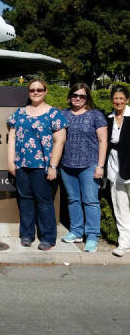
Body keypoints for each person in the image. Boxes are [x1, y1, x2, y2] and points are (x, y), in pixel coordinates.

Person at [7, 79, 67, 250]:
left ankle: (48, 237)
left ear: (46, 91)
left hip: (43, 166)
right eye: (32, 89)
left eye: (39, 89)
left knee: (44, 202)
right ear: (28, 92)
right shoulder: (19, 113)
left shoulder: (54, 114)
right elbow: (12, 138)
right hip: (22, 164)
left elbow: (59, 141)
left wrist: (53, 166)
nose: (36, 92)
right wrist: (10, 161)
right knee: (25, 200)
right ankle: (26, 235)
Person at [59, 83, 107, 252]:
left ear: (88, 98)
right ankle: (76, 231)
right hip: (66, 165)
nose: (78, 98)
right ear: (70, 96)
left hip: (89, 165)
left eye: (82, 96)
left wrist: (100, 166)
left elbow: (103, 141)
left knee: (91, 201)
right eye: (75, 95)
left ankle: (92, 236)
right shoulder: (63, 114)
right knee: (73, 199)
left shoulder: (96, 115)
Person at [106, 84, 130, 257]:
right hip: (115, 167)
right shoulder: (108, 118)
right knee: (120, 208)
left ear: (127, 100)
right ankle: (124, 243)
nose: (118, 101)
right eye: (115, 98)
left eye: (121, 98)